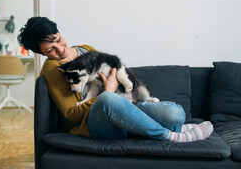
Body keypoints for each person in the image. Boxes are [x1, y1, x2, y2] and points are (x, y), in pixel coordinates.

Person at [17, 17, 213, 142]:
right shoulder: (53, 69)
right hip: (97, 124)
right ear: (41, 53)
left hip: (125, 110)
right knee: (108, 99)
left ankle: (152, 127)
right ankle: (169, 136)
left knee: (175, 113)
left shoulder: (86, 48)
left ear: (59, 32)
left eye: (58, 39)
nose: (59, 49)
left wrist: (120, 82)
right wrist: (108, 91)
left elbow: (114, 70)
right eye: (50, 50)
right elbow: (70, 115)